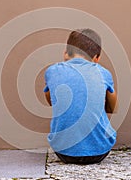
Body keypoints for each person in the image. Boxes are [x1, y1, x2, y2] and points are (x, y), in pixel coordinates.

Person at [43, 29, 117, 164]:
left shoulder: (52, 71)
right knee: (105, 96)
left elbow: (51, 101)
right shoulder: (104, 73)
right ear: (97, 58)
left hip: (64, 152)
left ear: (65, 53)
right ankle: (95, 135)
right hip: (100, 151)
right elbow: (112, 107)